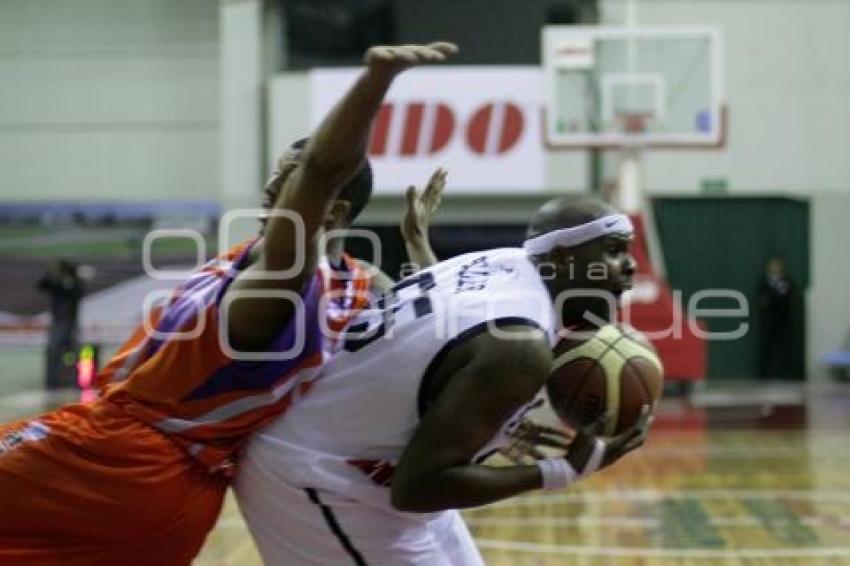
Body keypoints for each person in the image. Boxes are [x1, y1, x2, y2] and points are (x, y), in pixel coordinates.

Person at [0, 41, 458, 565]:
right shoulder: (356, 285)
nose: (270, 186)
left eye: (286, 177)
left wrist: (375, 80)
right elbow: (436, 327)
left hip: (117, 456)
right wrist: (419, 242)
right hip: (180, 496)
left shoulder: (284, 282)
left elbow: (323, 170)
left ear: (329, 209)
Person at [234, 195, 653, 564]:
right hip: (317, 480)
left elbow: (446, 341)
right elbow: (416, 488)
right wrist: (563, 470)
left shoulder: (505, 262)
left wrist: (494, 420)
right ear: (563, 258)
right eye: (614, 251)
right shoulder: (520, 346)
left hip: (357, 464)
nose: (631, 265)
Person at [37, 259, 85, 388]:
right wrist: (51, 274)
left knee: (72, 354)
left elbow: (78, 293)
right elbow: (41, 284)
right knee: (54, 353)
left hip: (70, 324)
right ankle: (53, 382)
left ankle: (76, 381)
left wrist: (70, 280)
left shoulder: (74, 285)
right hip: (58, 323)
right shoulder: (56, 285)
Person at [758, 256, 795, 379]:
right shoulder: (764, 284)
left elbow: (786, 298)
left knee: (785, 350)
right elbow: (765, 301)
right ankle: (764, 376)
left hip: (784, 322)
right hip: (769, 323)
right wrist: (775, 297)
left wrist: (775, 298)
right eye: (772, 266)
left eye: (777, 265)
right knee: (767, 350)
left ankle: (789, 375)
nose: (775, 268)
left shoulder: (787, 282)